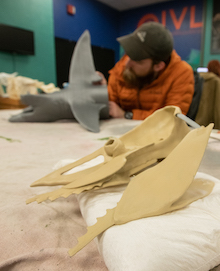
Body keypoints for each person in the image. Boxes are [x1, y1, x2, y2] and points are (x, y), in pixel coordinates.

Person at [107, 22, 194, 120]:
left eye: (138, 60)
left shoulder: (181, 73)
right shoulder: (124, 64)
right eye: (129, 53)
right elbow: (110, 106)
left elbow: (171, 119)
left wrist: (128, 115)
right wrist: (100, 92)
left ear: (158, 66)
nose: (127, 63)